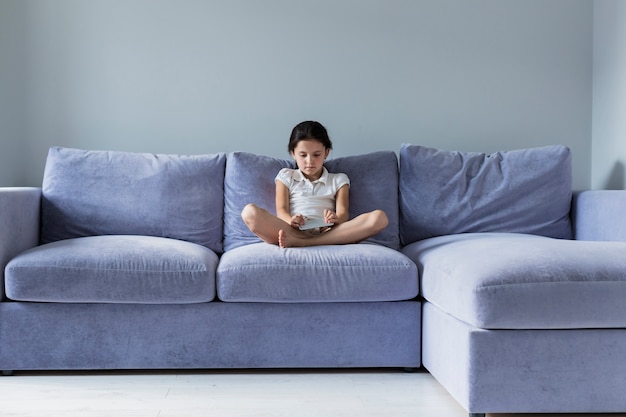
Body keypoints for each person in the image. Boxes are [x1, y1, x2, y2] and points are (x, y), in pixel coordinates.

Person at [241, 121, 388, 248]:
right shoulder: (286, 176)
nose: (309, 161)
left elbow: (343, 215)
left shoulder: (339, 180)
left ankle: (303, 243)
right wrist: (291, 221)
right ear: (293, 153)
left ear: (326, 152)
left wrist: (334, 219)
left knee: (379, 218)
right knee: (249, 212)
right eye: (303, 155)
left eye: (316, 155)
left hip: (328, 231)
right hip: (293, 230)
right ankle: (307, 240)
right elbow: (281, 211)